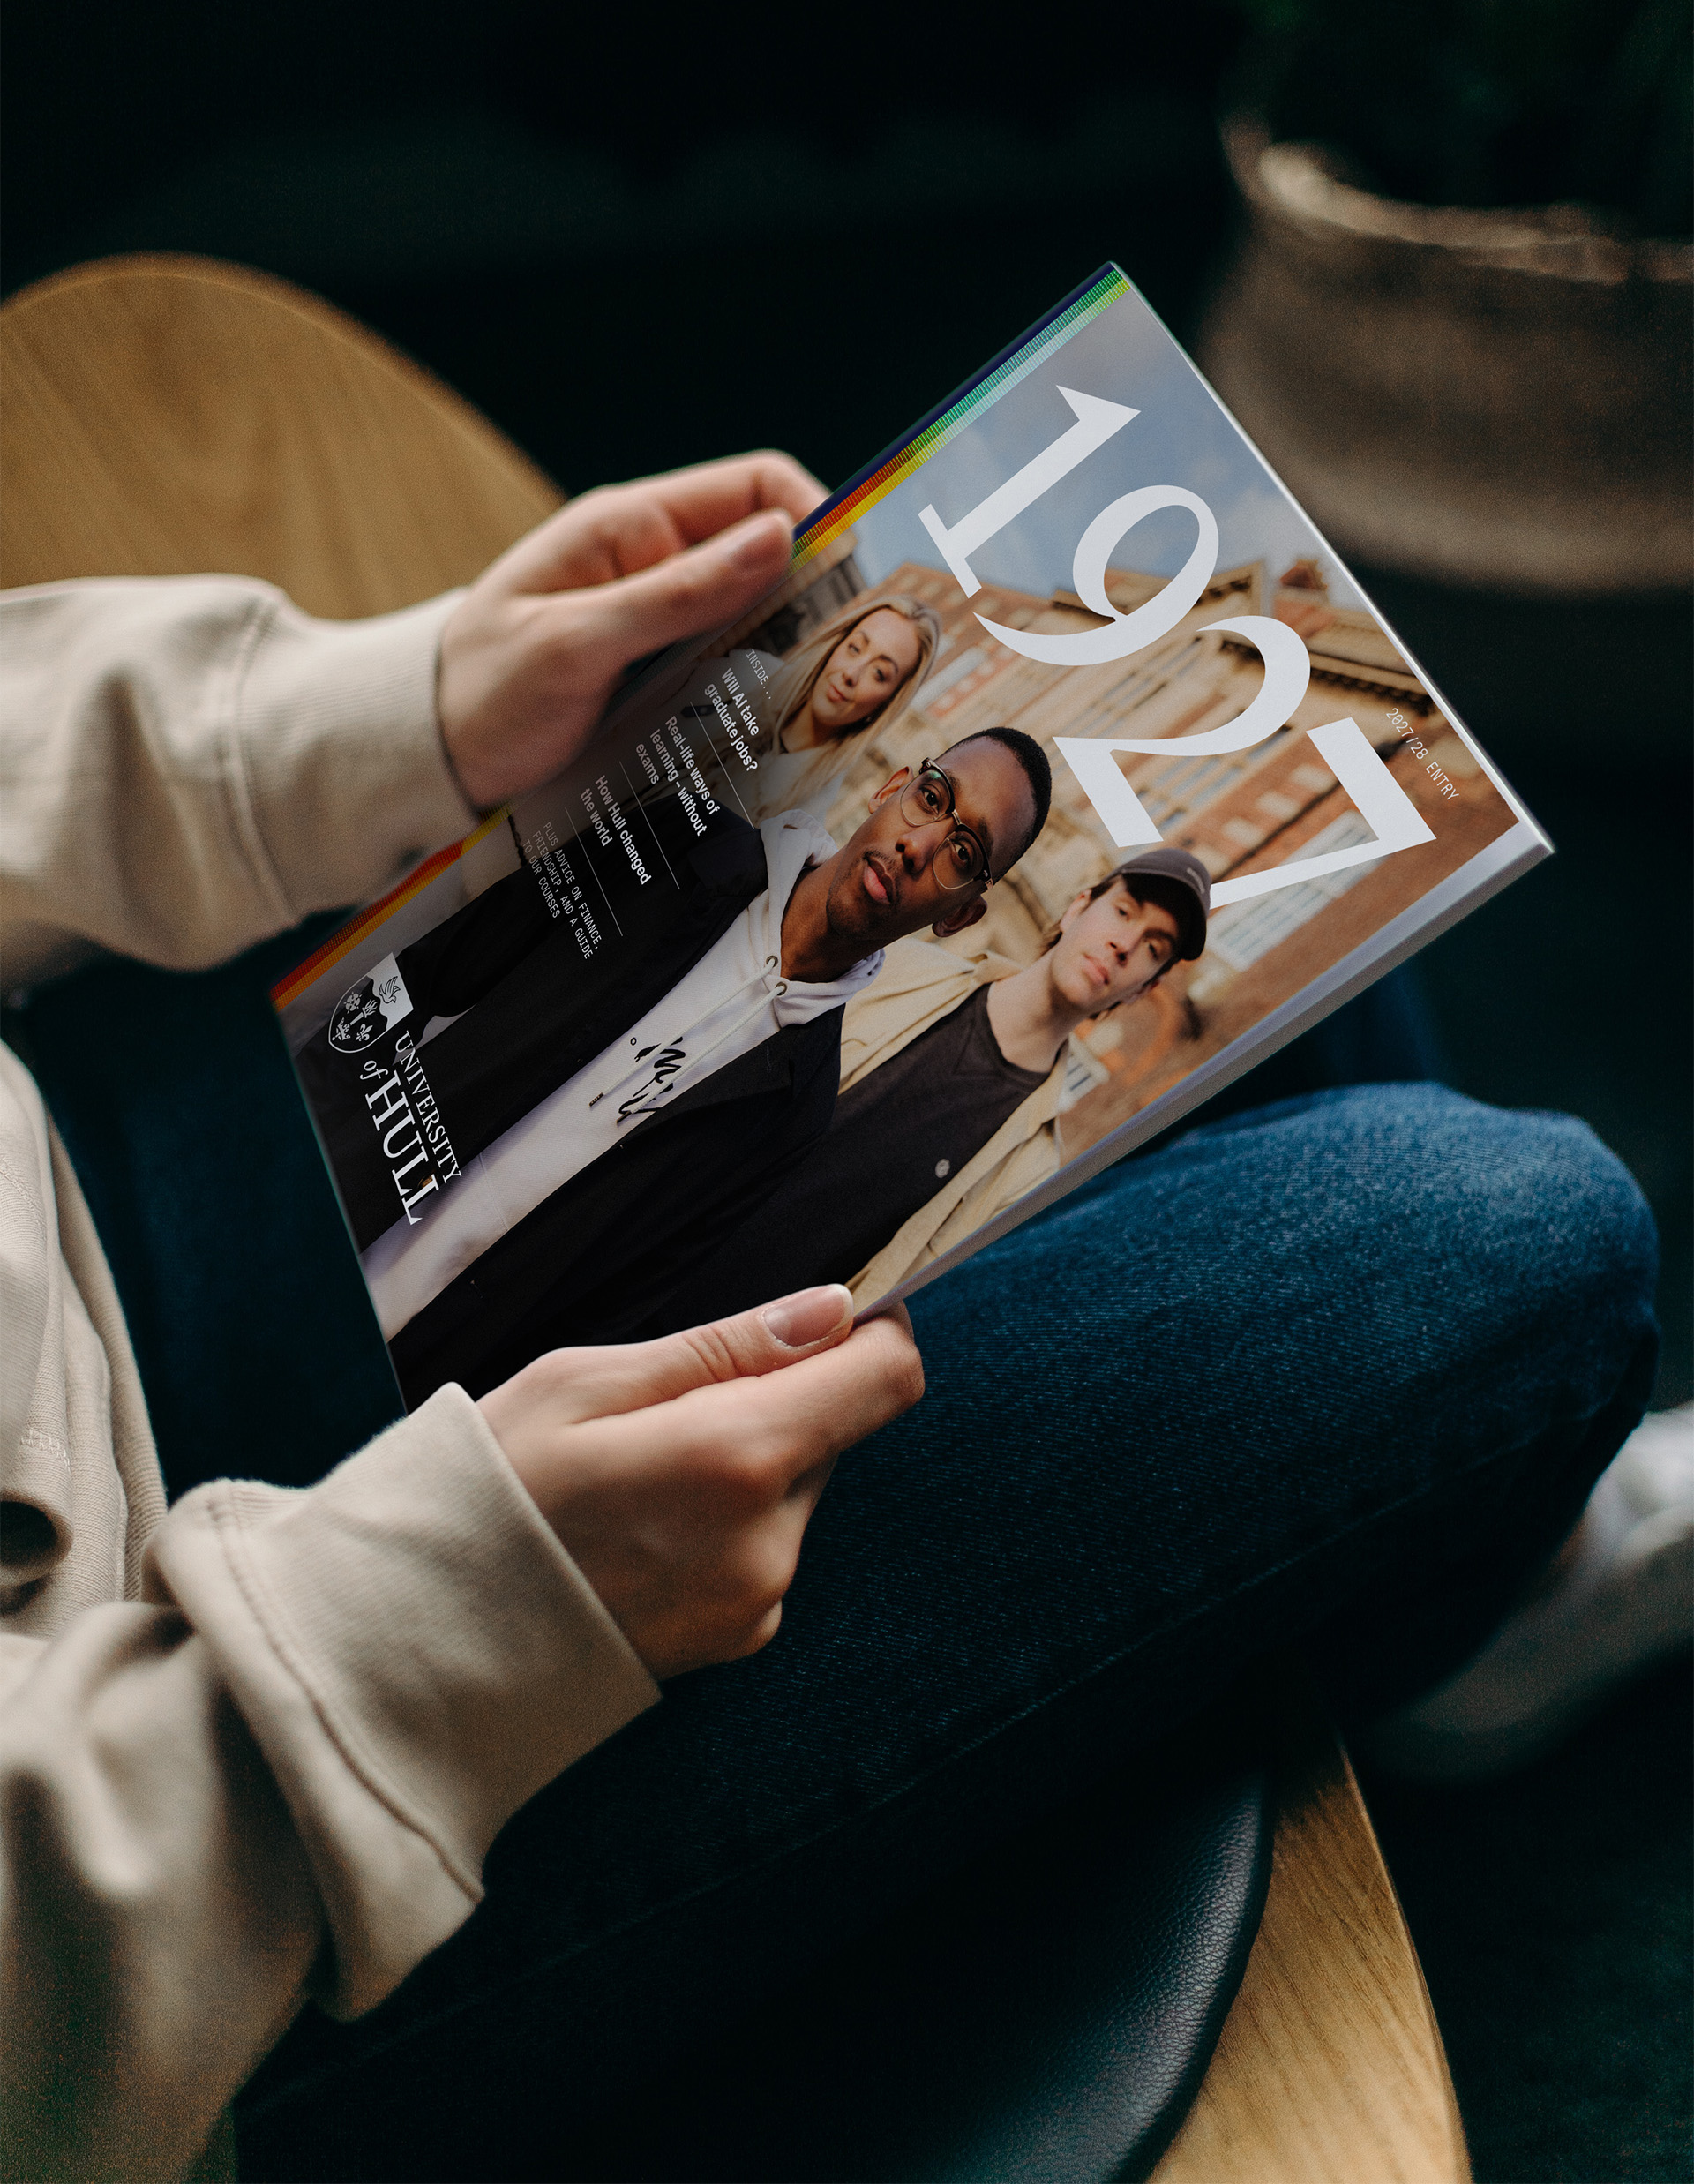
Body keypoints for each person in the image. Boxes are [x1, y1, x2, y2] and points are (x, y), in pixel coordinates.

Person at [1, 448, 1685, 2184]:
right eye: (936, 806)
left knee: (1338, 887)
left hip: (89, 1108)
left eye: (973, 848)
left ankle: (1445, 1548)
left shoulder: (816, 976)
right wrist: (428, 1627)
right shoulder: (862, 1031)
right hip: (205, 1827)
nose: (937, 847)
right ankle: (1484, 1604)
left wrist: (353, 718)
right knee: (1518, 1232)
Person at [366, 732, 1053, 1403]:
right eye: (932, 797)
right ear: (893, 787)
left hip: (418, 1376)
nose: (919, 845)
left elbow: (617, 1310)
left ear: (960, 915)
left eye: (962, 852)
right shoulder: (683, 841)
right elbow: (439, 967)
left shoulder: (802, 1108)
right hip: (349, 1191)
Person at [660, 844, 1211, 1320]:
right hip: (656, 1231)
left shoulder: (1031, 1175)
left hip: (727, 1355)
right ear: (1078, 908)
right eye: (1123, 912)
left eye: (1153, 948)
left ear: (1143, 990)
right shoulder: (897, 969)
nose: (1124, 944)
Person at [668, 587, 941, 825]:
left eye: (879, 673)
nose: (851, 674)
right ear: (836, 644)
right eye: (855, 648)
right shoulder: (745, 673)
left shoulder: (807, 816)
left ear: (885, 704)